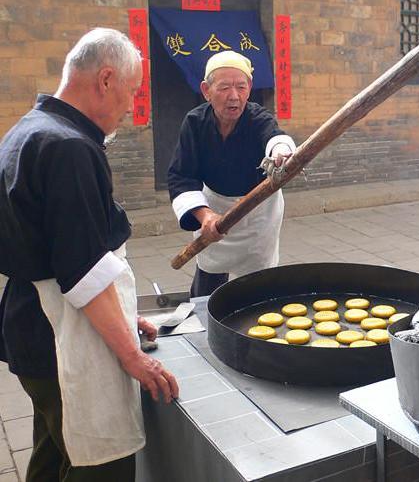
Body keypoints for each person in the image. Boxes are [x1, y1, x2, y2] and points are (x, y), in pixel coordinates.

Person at [0, 28, 179, 481]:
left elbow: (59, 245)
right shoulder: (68, 148)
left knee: (53, 452)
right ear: (105, 79)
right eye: (132, 91)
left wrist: (121, 313)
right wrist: (132, 356)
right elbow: (81, 271)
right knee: (98, 463)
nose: (131, 106)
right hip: (63, 335)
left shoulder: (28, 130)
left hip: (31, 325)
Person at [168, 51, 296, 297]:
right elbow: (181, 176)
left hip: (258, 213)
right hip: (213, 209)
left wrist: (281, 151)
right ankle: (203, 320)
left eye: (241, 86)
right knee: (208, 277)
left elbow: (275, 136)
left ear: (249, 88)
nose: (234, 96)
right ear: (206, 90)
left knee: (258, 284)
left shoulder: (257, 118)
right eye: (224, 87)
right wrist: (205, 217)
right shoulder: (195, 123)